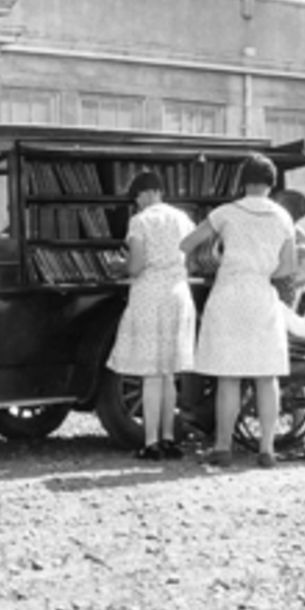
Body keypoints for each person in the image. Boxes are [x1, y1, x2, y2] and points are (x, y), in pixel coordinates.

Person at [180, 153, 297, 468]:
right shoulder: (282, 217)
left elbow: (187, 243)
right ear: (271, 183)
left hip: (230, 293)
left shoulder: (226, 212)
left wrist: (215, 260)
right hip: (261, 295)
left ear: (242, 181)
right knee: (265, 375)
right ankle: (267, 450)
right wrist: (263, 271)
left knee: (229, 376)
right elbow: (289, 265)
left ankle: (223, 447)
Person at [106, 171, 196, 461]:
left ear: (145, 194)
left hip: (150, 296)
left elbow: (136, 266)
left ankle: (151, 442)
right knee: (169, 373)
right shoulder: (182, 218)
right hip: (178, 294)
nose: (137, 204)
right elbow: (193, 255)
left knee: (151, 375)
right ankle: (170, 439)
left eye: (137, 198)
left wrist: (118, 266)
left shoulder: (141, 221)